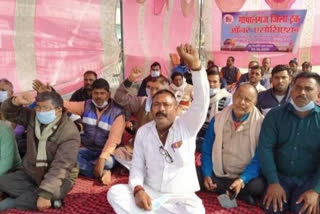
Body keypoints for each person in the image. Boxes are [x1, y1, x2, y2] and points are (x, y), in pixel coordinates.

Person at [107, 43, 209, 214]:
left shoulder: (187, 125)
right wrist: (138, 190)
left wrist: (196, 67)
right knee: (115, 193)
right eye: (156, 105)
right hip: (151, 191)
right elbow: (137, 166)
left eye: (166, 105)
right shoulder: (144, 131)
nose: (161, 109)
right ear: (151, 108)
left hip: (180, 196)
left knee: (196, 211)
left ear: (176, 108)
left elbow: (201, 102)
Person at [0, 91, 80, 211]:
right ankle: (41, 197)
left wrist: (46, 194)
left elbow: (61, 167)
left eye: (46, 108)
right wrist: (15, 101)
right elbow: (9, 114)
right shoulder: (33, 116)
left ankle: (15, 202)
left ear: (58, 110)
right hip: (31, 172)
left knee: (50, 193)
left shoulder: (70, 133)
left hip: (59, 177)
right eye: (38, 107)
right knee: (3, 181)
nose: (41, 112)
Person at [258, 71, 320, 214]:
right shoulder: (274, 115)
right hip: (280, 177)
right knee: (272, 208)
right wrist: (273, 182)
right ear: (291, 89)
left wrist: (316, 191)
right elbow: (265, 149)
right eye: (298, 87)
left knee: (304, 210)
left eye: (308, 89)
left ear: (318, 93)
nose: (302, 92)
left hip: (310, 179)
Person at [199, 83, 265, 205]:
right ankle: (237, 193)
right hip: (219, 174)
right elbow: (207, 149)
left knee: (258, 185)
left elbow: (259, 159)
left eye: (247, 100)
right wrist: (207, 174)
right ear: (233, 96)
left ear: (255, 102)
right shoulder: (218, 119)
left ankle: (232, 190)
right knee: (196, 175)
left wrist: (242, 179)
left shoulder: (261, 124)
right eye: (239, 96)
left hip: (244, 178)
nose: (242, 102)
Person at [63, 78, 125, 185]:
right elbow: (67, 105)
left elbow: (113, 140)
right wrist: (50, 93)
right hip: (89, 149)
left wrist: (102, 157)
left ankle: (96, 168)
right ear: (91, 94)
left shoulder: (117, 113)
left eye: (102, 93)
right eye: (96, 93)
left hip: (108, 153)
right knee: (69, 155)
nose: (99, 96)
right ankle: (101, 173)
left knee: (109, 163)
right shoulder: (86, 105)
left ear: (108, 94)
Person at [112, 71, 169, 168]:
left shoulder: (171, 107)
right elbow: (119, 98)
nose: (153, 92)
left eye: (157, 88)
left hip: (158, 151)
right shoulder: (143, 101)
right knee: (117, 154)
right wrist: (130, 80)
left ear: (165, 90)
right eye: (151, 88)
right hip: (136, 148)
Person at [196, 70, 231, 152]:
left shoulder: (227, 98)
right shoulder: (200, 97)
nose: (211, 84)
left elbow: (228, 119)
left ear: (220, 84)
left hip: (217, 135)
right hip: (200, 133)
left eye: (215, 82)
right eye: (208, 81)